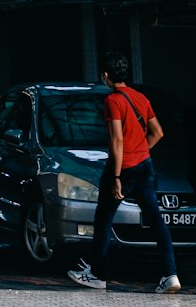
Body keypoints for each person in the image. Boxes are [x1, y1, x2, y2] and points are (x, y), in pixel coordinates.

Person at [68, 52, 181, 294]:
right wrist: (140, 151)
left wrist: (117, 176)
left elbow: (117, 140)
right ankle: (170, 274)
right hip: (145, 166)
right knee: (156, 220)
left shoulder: (112, 101)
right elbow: (158, 132)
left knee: (104, 220)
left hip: (122, 169)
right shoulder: (141, 97)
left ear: (106, 76)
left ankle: (97, 274)